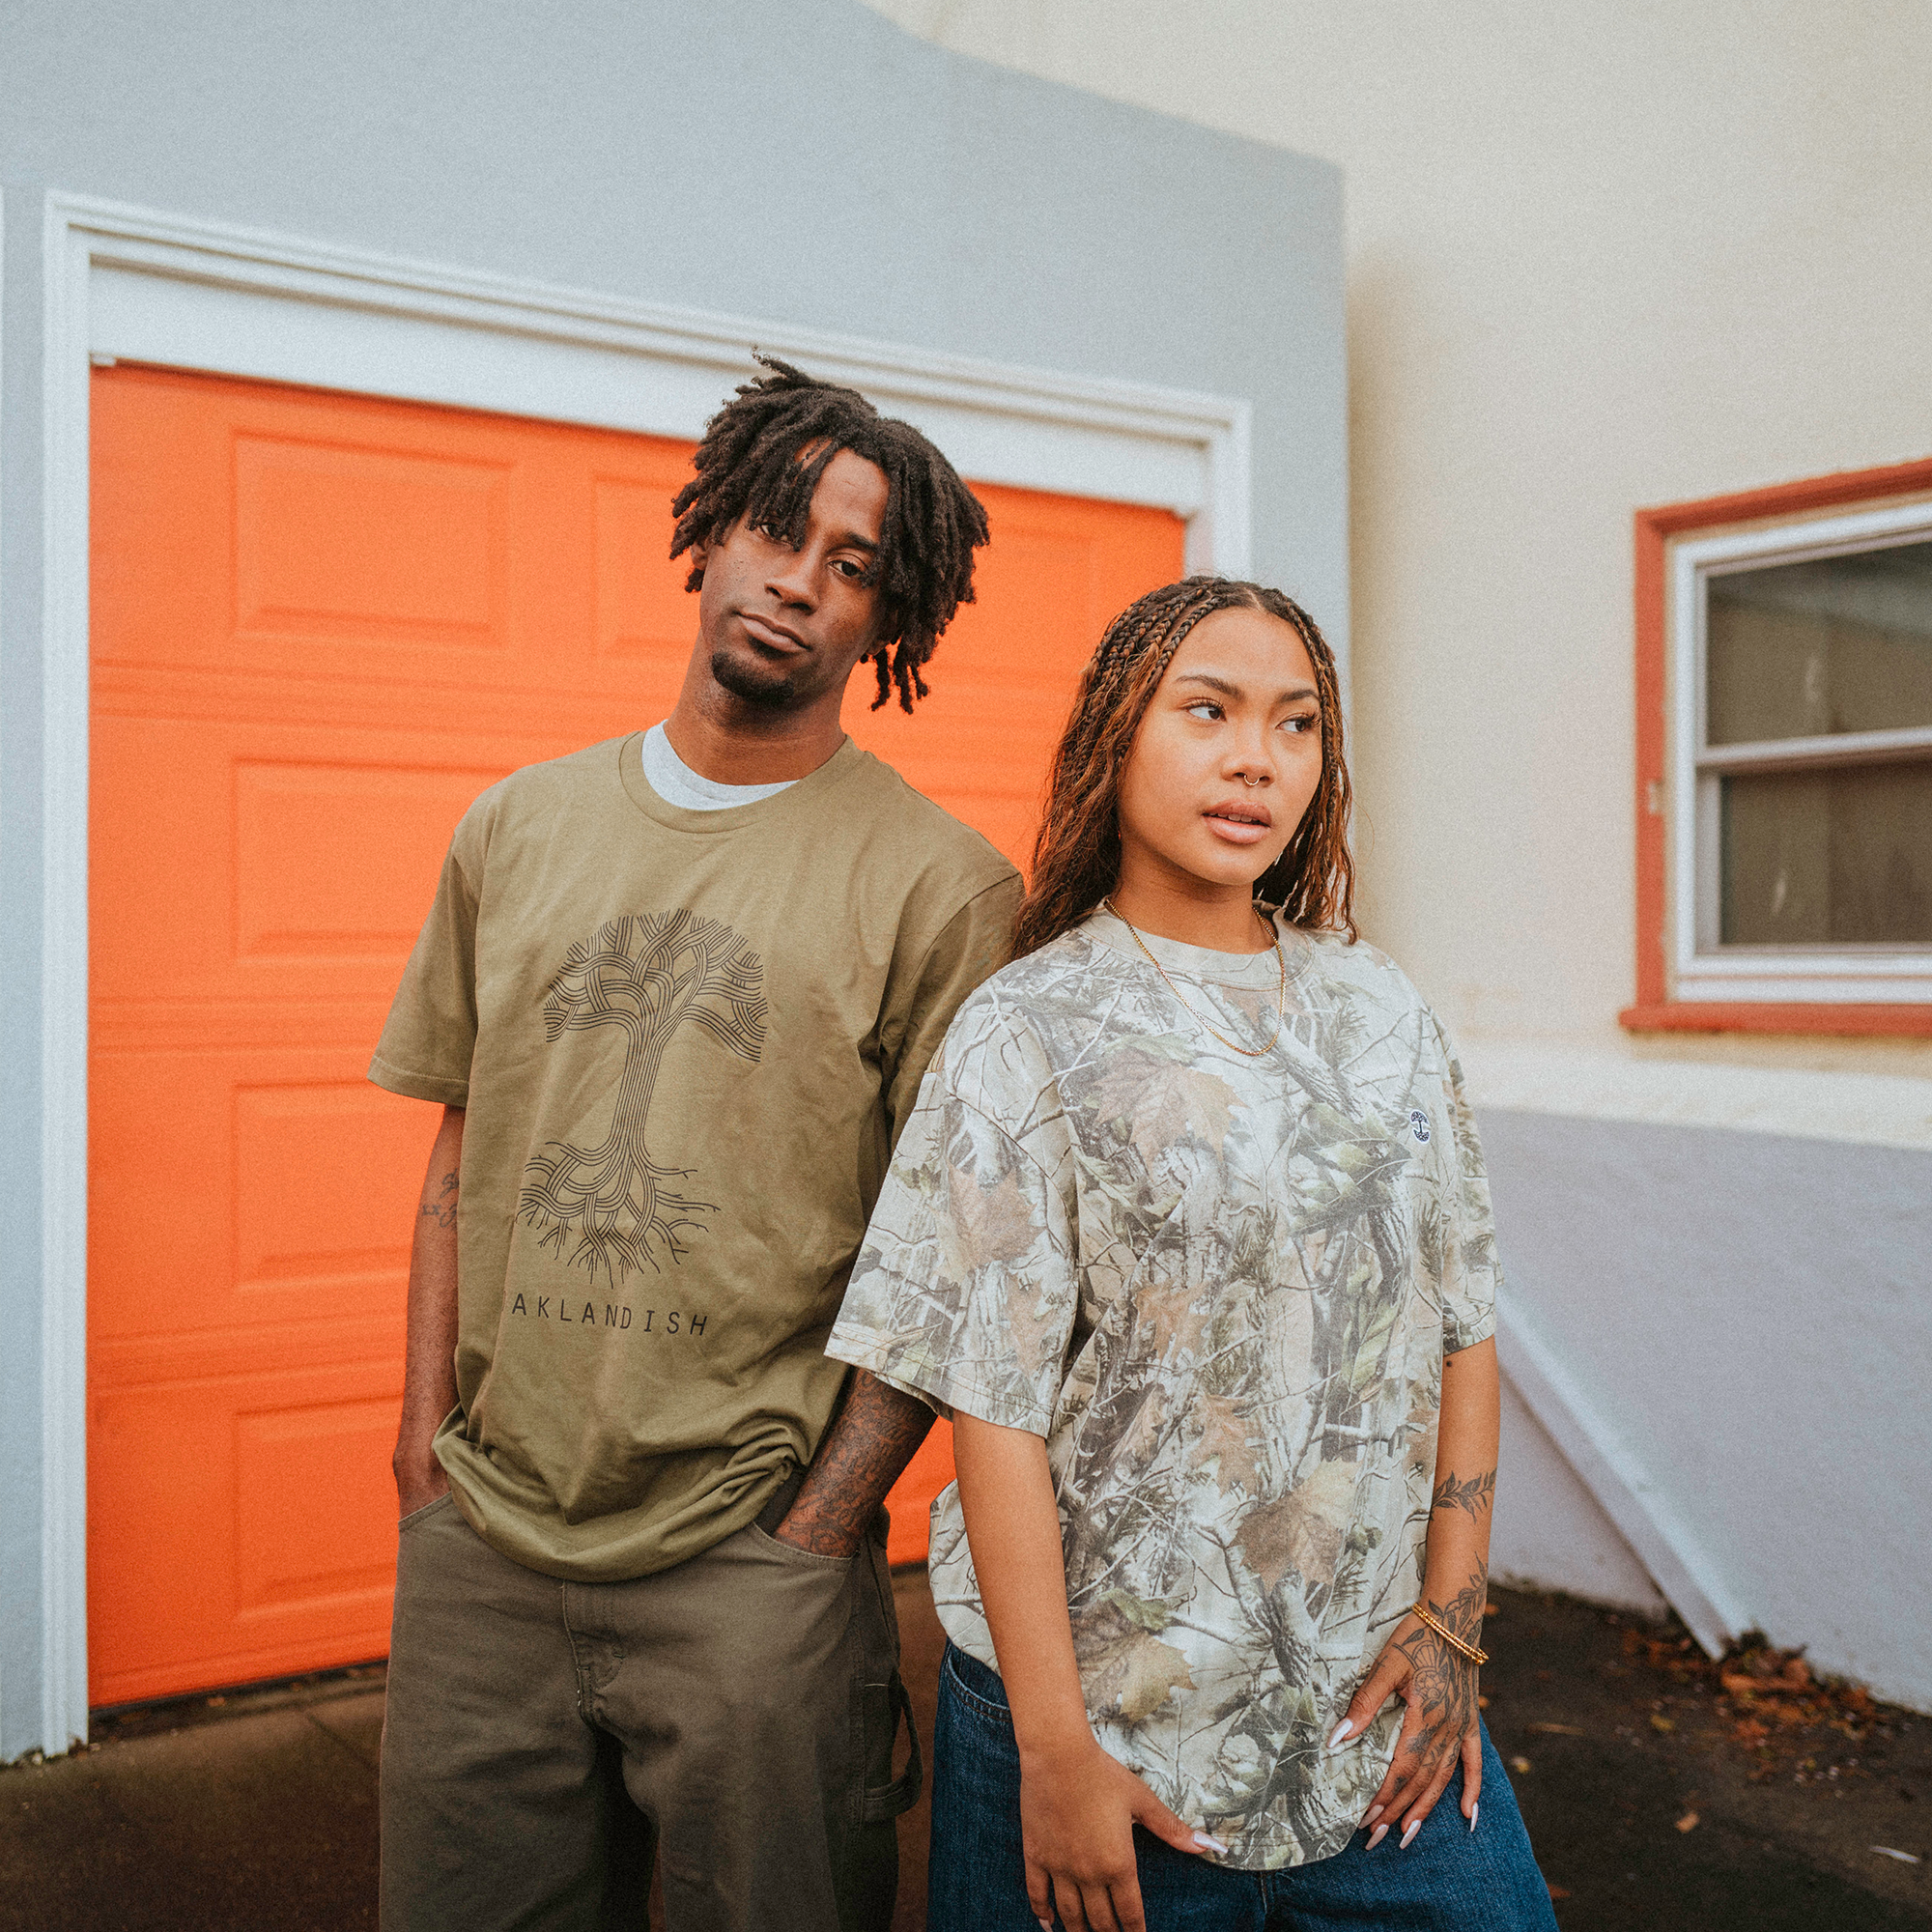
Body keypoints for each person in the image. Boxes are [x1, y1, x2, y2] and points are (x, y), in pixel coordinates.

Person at [370, 357, 1022, 1932]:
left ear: (891, 618)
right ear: (709, 533)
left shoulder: (942, 889)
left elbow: (953, 1248)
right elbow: (462, 1159)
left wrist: (822, 1520)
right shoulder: (514, 828)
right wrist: (418, 1451)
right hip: (485, 1546)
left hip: (752, 1573)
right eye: (776, 528)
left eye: (853, 564)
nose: (799, 583)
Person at [829, 577, 1559, 1931]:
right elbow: (992, 1407)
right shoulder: (1028, 1030)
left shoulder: (1377, 1006)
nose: (1254, 759)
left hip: (1365, 1709)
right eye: (1207, 711)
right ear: (1116, 737)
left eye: (1295, 726)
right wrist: (1052, 1751)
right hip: (1110, 1728)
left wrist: (1452, 1627)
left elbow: (1465, 1321)